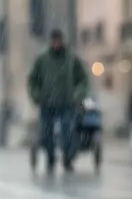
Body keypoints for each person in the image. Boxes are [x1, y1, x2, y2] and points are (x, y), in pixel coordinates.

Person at [27, 28, 88, 173]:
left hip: (67, 102)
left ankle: (68, 158)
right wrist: (36, 95)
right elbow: (32, 80)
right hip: (47, 102)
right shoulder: (42, 59)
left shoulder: (71, 59)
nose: (56, 44)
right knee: (46, 134)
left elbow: (83, 80)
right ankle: (51, 158)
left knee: (68, 131)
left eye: (58, 41)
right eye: (54, 41)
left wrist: (77, 94)